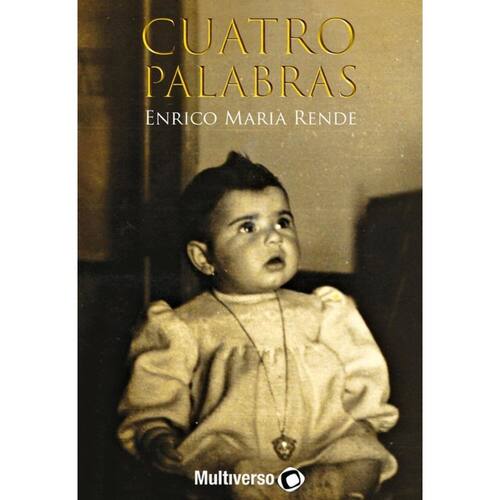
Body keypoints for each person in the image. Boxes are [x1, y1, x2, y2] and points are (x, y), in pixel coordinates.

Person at [118, 152, 399, 499]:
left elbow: (364, 370)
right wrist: (155, 432)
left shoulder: (322, 310)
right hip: (235, 454)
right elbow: (154, 391)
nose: (274, 238)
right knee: (221, 473)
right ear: (204, 258)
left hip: (322, 444)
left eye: (282, 222)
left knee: (365, 458)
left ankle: (331, 488)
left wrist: (366, 421)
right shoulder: (186, 324)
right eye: (248, 228)